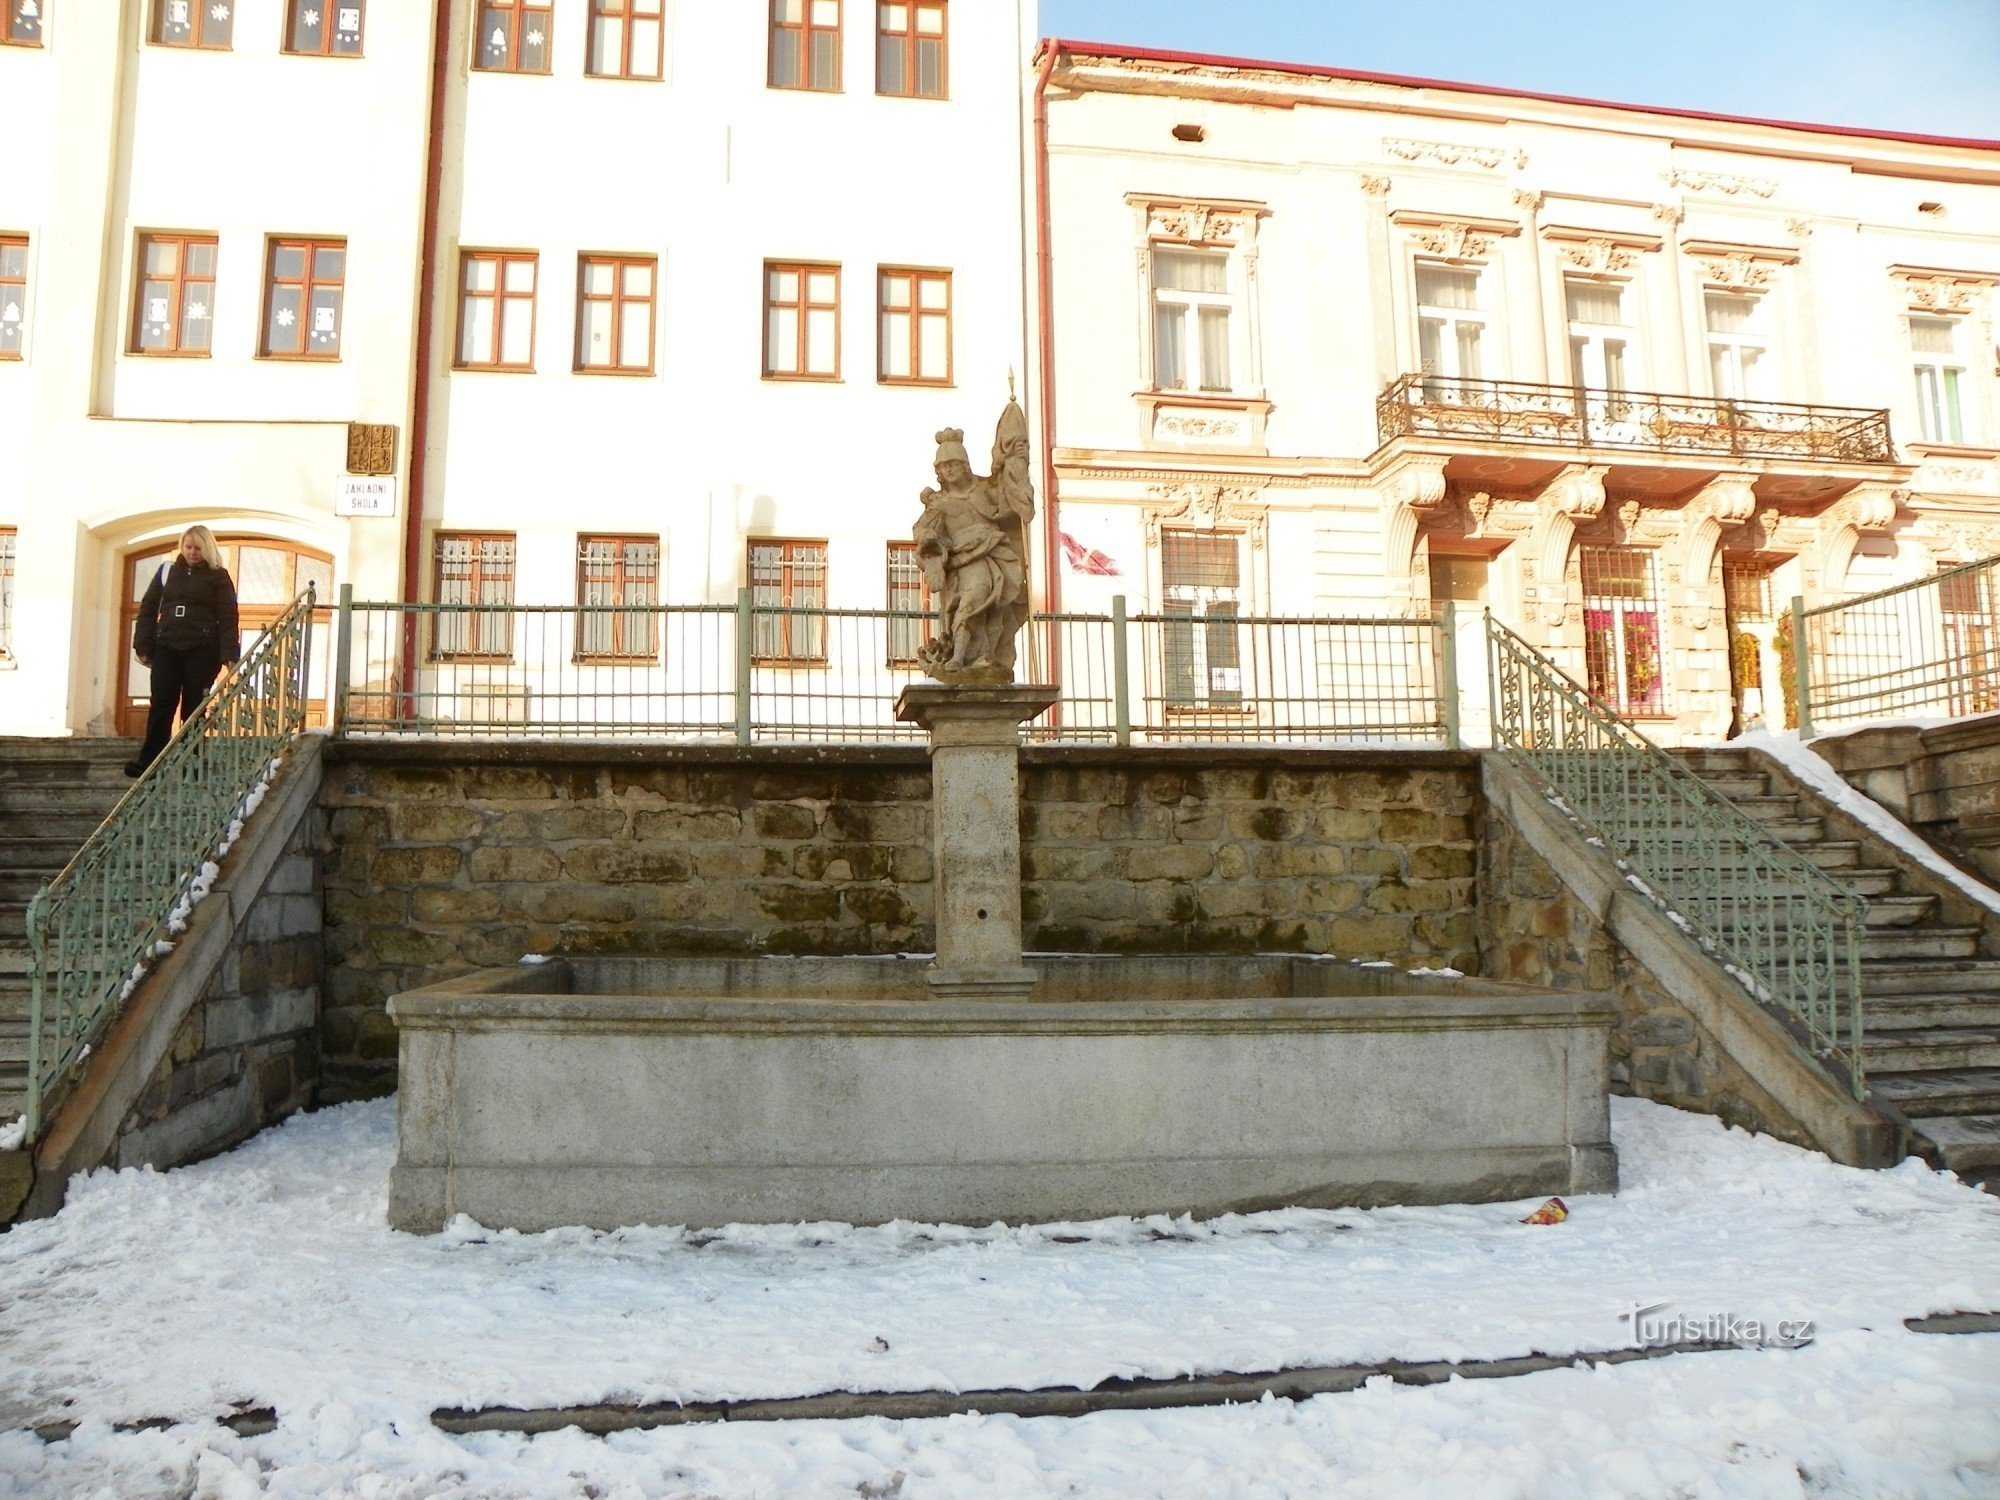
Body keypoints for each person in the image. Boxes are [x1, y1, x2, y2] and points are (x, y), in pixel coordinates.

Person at [127, 525, 240, 777]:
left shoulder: (218, 576)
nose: (192, 552)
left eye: (198, 548)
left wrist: (230, 654)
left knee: (194, 706)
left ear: (207, 548)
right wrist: (143, 645)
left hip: (202, 649)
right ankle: (150, 761)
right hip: (166, 646)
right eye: (188, 547)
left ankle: (192, 761)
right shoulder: (167, 571)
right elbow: (148, 608)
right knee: (162, 702)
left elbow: (228, 615)